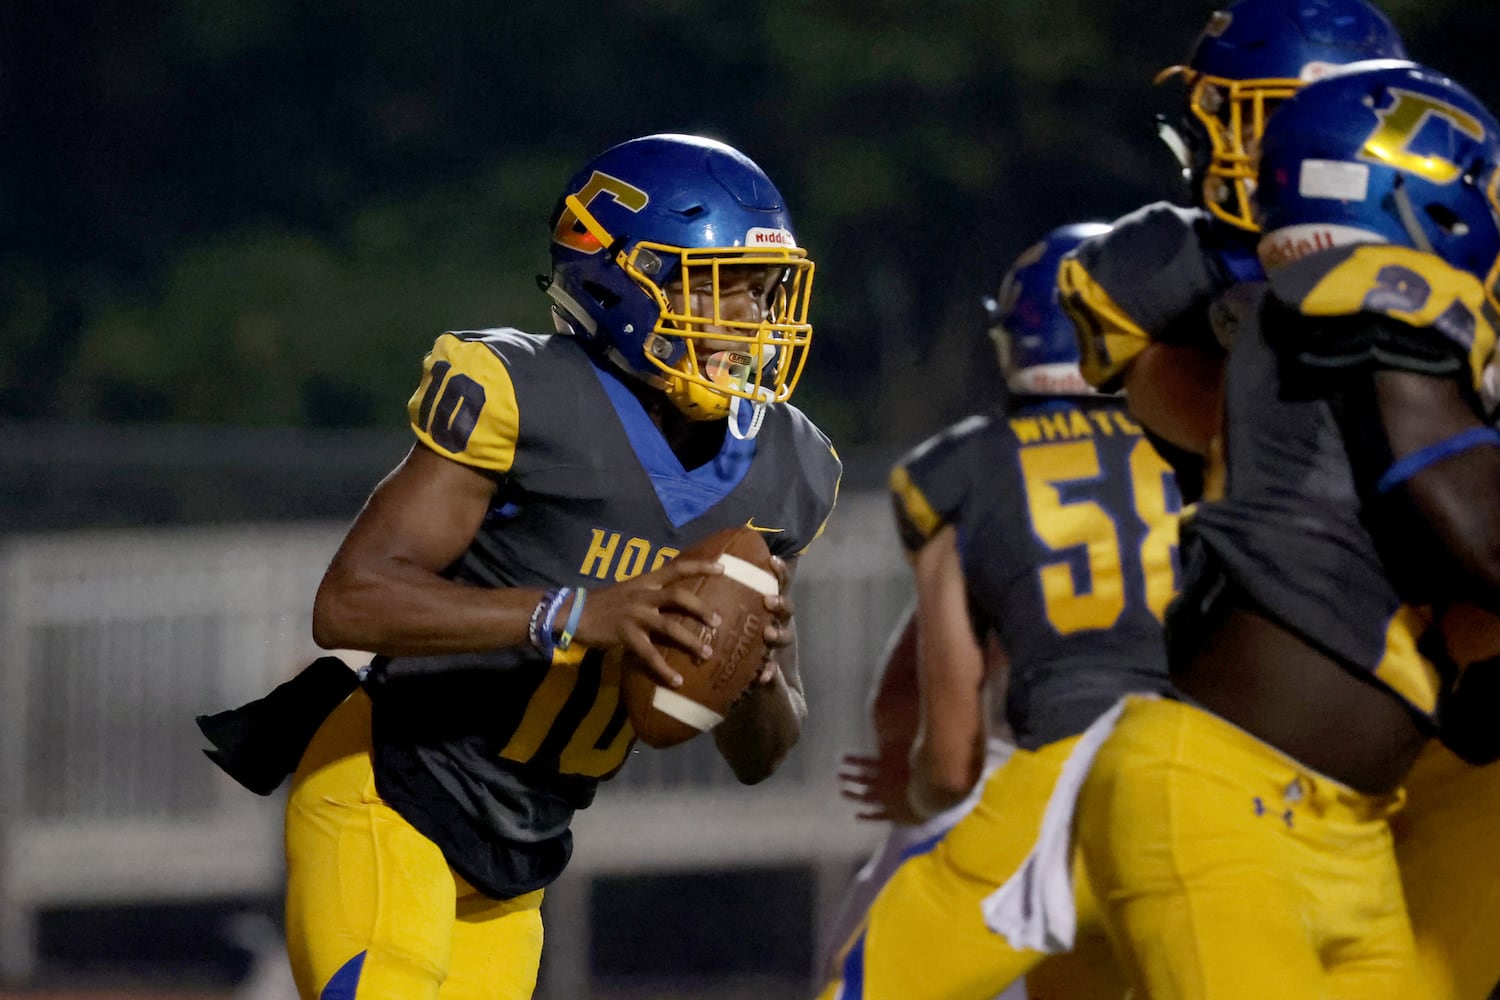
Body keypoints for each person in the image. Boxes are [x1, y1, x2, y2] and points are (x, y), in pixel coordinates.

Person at [197, 132, 842, 1000]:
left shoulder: (788, 468)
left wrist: (755, 673)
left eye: (760, 291)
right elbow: (349, 601)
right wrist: (574, 615)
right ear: (618, 279)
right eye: (716, 285)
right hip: (391, 793)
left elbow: (763, 754)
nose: (749, 320)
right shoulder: (523, 395)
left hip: (518, 864)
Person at [1061, 4, 1500, 995]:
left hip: (1417, 731)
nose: (1252, 151)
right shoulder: (1196, 274)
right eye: (1238, 117)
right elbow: (1217, 409)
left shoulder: (1438, 290)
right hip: (1280, 719)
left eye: (1279, 116)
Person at [817, 223, 1181, 1000]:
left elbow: (945, 757)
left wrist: (913, 796)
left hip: (1050, 786)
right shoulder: (1219, 449)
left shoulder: (966, 472)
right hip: (1209, 793)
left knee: (857, 982)